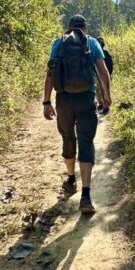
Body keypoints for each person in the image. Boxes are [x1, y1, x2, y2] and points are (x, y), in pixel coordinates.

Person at [43, 15, 112, 214]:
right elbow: (102, 70)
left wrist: (47, 101)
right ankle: (86, 195)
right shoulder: (91, 42)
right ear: (85, 27)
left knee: (68, 137)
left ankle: (71, 178)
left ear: (69, 27)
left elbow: (50, 73)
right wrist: (106, 95)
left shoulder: (59, 42)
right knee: (86, 141)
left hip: (64, 99)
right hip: (86, 98)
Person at [95, 36, 114, 115]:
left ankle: (106, 107)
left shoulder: (105, 53)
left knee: (104, 90)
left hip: (103, 75)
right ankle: (101, 104)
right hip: (97, 75)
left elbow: (110, 65)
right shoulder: (95, 53)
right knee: (97, 90)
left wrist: (108, 74)